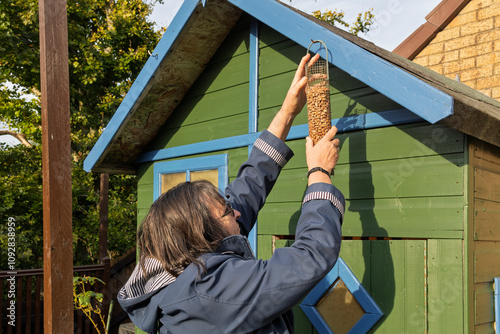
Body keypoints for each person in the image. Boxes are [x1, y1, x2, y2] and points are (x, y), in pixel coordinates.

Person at [117, 53, 345, 334]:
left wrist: (288, 112)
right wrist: (319, 171)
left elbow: (246, 189)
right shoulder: (209, 289)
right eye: (226, 211)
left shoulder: (183, 258)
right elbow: (310, 257)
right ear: (201, 233)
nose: (235, 211)